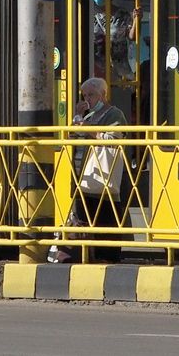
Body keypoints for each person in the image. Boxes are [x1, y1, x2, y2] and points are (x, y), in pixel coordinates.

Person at [49, 77, 128, 264]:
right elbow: (72, 135)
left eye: (91, 95)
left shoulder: (114, 114)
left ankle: (108, 256)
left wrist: (88, 129)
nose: (87, 99)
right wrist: (77, 117)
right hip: (83, 179)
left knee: (107, 217)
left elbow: (113, 140)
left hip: (103, 178)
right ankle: (84, 255)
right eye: (84, 95)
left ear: (103, 94)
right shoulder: (87, 116)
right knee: (84, 219)